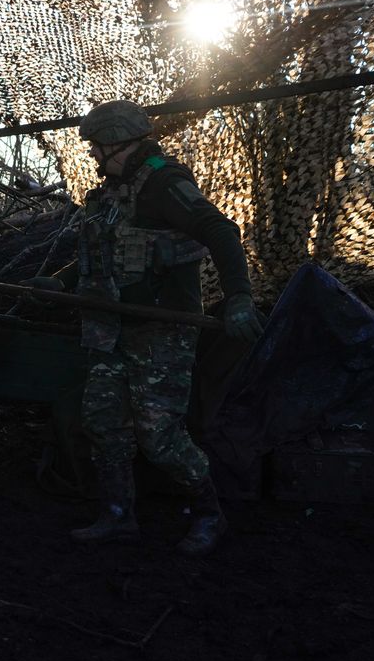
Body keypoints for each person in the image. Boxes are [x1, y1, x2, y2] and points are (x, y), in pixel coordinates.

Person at [25, 100, 263, 556]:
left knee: (159, 435)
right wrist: (57, 282)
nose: (92, 154)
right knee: (103, 424)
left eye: (97, 145)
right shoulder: (108, 195)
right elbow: (101, 256)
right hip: (108, 331)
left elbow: (222, 232)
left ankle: (210, 513)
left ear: (119, 142)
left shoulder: (163, 183)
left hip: (159, 333)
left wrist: (238, 297)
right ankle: (118, 515)